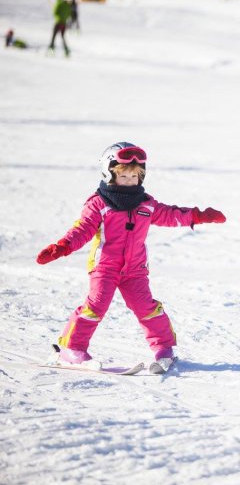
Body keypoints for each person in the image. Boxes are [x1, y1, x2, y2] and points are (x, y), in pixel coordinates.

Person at [36, 142, 226, 371]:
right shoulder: (98, 204)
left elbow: (170, 214)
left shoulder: (146, 204)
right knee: (95, 306)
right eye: (124, 176)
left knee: (147, 307)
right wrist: (63, 246)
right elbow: (82, 230)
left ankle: (164, 349)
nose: (129, 180)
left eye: (134, 176)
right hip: (104, 267)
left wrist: (199, 216)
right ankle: (72, 349)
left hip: (135, 269)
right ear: (110, 174)